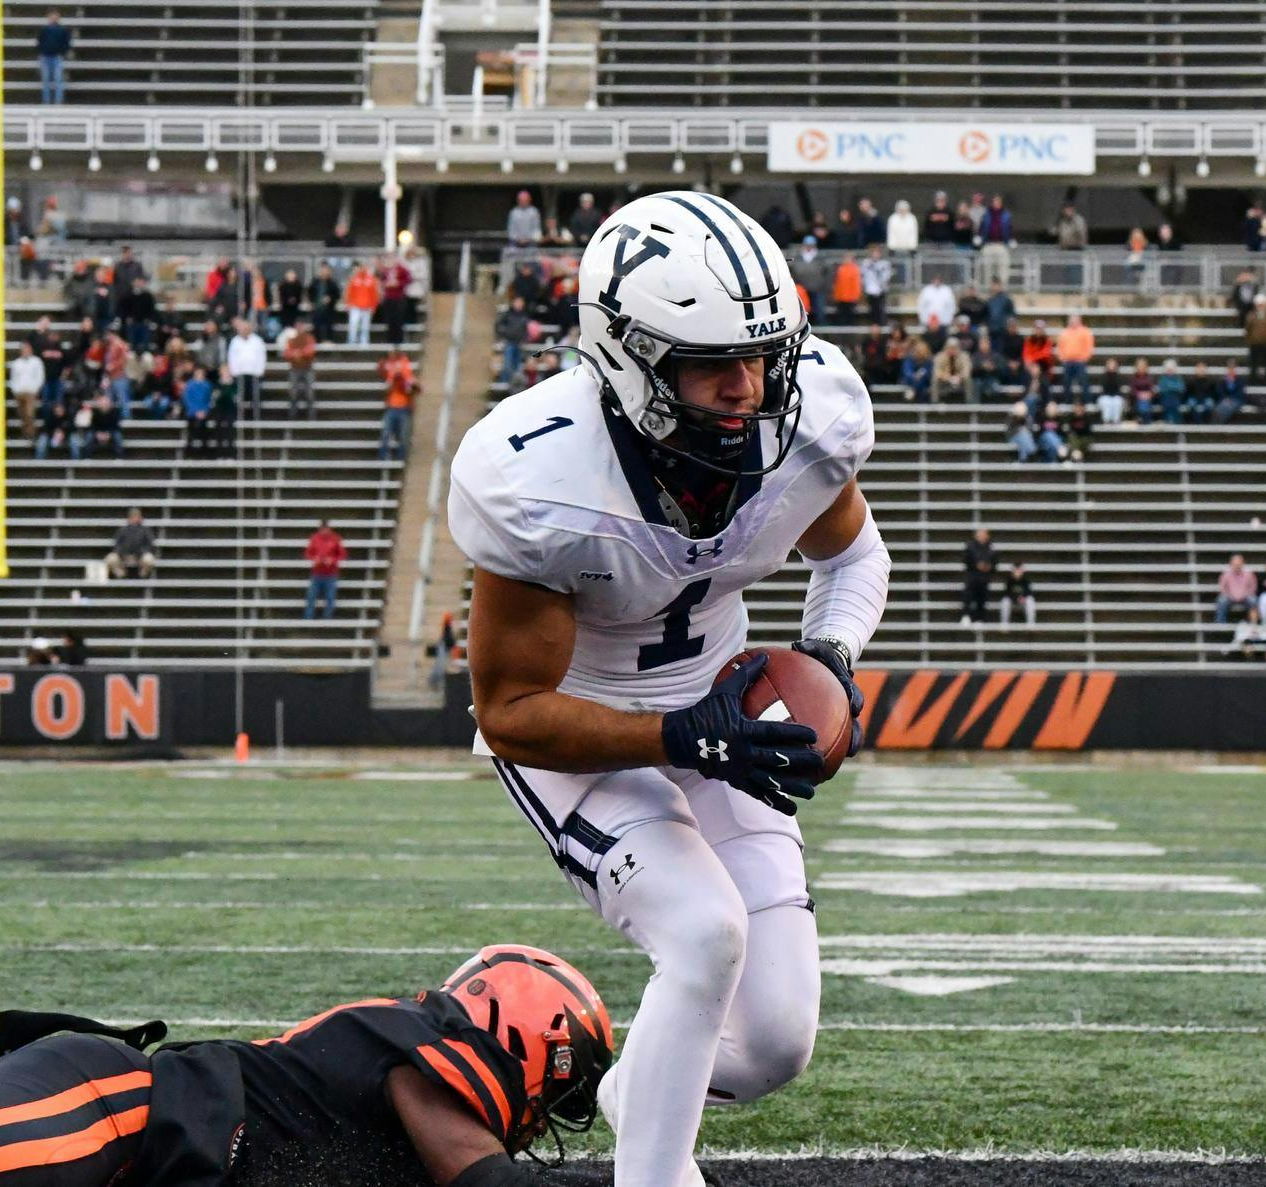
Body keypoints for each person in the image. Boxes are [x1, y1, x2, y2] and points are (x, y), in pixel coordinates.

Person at [446, 191, 886, 1187]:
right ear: (627, 354)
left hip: (717, 712)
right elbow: (510, 710)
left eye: (760, 354)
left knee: (771, 1041)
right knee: (704, 929)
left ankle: (628, 1091)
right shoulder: (545, 478)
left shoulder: (807, 420)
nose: (745, 386)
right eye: (709, 361)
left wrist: (828, 656)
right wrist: (682, 734)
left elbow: (855, 558)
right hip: (582, 734)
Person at [0, 945, 613, 1187]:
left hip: (131, 1149)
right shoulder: (423, 1051)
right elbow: (484, 1177)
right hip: (121, 1109)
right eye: (560, 1086)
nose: (544, 1117)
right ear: (521, 1034)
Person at [378, 347, 418, 461]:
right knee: (387, 433)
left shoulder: (405, 372)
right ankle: (384, 456)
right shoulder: (392, 371)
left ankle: (400, 458)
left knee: (402, 436)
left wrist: (404, 384)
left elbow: (412, 389)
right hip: (393, 407)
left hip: (403, 408)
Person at [225, 317, 267, 420]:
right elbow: (231, 357)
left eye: (246, 328)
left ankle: (255, 417)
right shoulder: (235, 341)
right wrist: (234, 372)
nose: (244, 330)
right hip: (239, 374)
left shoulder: (258, 341)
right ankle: (239, 416)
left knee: (255, 396)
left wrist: (259, 371)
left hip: (254, 373)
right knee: (239, 396)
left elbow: (262, 357)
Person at [304, 518, 347, 619]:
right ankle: (308, 617)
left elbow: (342, 554)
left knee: (330, 597)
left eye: (325, 529)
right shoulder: (314, 538)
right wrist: (315, 559)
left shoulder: (335, 538)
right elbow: (308, 553)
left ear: (329, 529)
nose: (324, 531)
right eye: (322, 529)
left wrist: (332, 560)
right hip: (317, 572)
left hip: (331, 573)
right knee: (311, 596)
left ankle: (327, 618)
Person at [281, 318, 318, 419]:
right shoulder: (290, 339)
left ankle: (312, 417)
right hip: (295, 368)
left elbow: (311, 350)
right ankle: (292, 416)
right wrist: (296, 353)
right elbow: (286, 353)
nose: (300, 328)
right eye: (298, 326)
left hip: (307, 368)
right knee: (293, 394)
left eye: (301, 326)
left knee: (310, 394)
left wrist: (298, 353)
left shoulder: (309, 337)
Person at [960, 527, 997, 624]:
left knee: (982, 598)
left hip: (984, 577)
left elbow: (995, 561)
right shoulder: (970, 546)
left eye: (984, 534)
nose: (982, 536)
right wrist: (976, 565)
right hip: (972, 575)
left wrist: (990, 567)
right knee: (968, 596)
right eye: (980, 534)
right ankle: (966, 616)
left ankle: (980, 619)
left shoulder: (991, 547)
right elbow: (966, 560)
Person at [106, 507, 156, 579]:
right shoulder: (122, 530)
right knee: (110, 558)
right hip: (124, 556)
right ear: (129, 518)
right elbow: (116, 545)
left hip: (140, 557)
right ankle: (121, 575)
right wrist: (122, 553)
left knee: (149, 559)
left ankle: (142, 575)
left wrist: (140, 552)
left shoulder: (146, 531)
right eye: (133, 517)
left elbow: (150, 545)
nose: (135, 519)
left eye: (137, 517)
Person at [37, 8, 72, 102]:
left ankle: (58, 102)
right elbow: (40, 42)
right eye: (51, 17)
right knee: (46, 81)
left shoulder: (63, 30)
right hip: (45, 57)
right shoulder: (44, 30)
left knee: (58, 81)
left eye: (54, 16)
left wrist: (62, 53)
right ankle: (46, 101)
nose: (53, 18)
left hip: (57, 57)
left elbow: (67, 43)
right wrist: (41, 53)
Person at [344, 264, 382, 345]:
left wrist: (373, 306)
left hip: (367, 306)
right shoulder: (354, 279)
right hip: (355, 306)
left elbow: (374, 295)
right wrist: (348, 305)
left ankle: (364, 342)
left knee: (365, 326)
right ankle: (352, 341)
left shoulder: (371, 280)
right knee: (353, 324)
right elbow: (349, 293)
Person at [1214, 553, 1255, 623]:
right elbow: (1222, 588)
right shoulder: (1225, 574)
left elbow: (1253, 587)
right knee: (1221, 600)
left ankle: (1253, 624)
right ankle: (1220, 624)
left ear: (1242, 563)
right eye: (1235, 564)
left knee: (1253, 600)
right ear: (1231, 564)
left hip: (1245, 597)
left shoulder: (1249, 574)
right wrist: (1229, 595)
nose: (1237, 566)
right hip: (1230, 597)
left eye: (1239, 564)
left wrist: (1245, 595)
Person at [1000, 562, 1035, 626]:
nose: (1017, 572)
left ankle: (1031, 625)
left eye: (1019, 570)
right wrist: (1016, 598)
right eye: (1016, 570)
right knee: (1005, 601)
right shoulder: (1009, 581)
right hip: (1012, 603)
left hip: (1023, 604)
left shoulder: (1026, 580)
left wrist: (1023, 598)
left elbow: (1029, 593)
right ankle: (1004, 624)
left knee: (1030, 600)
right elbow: (1006, 593)